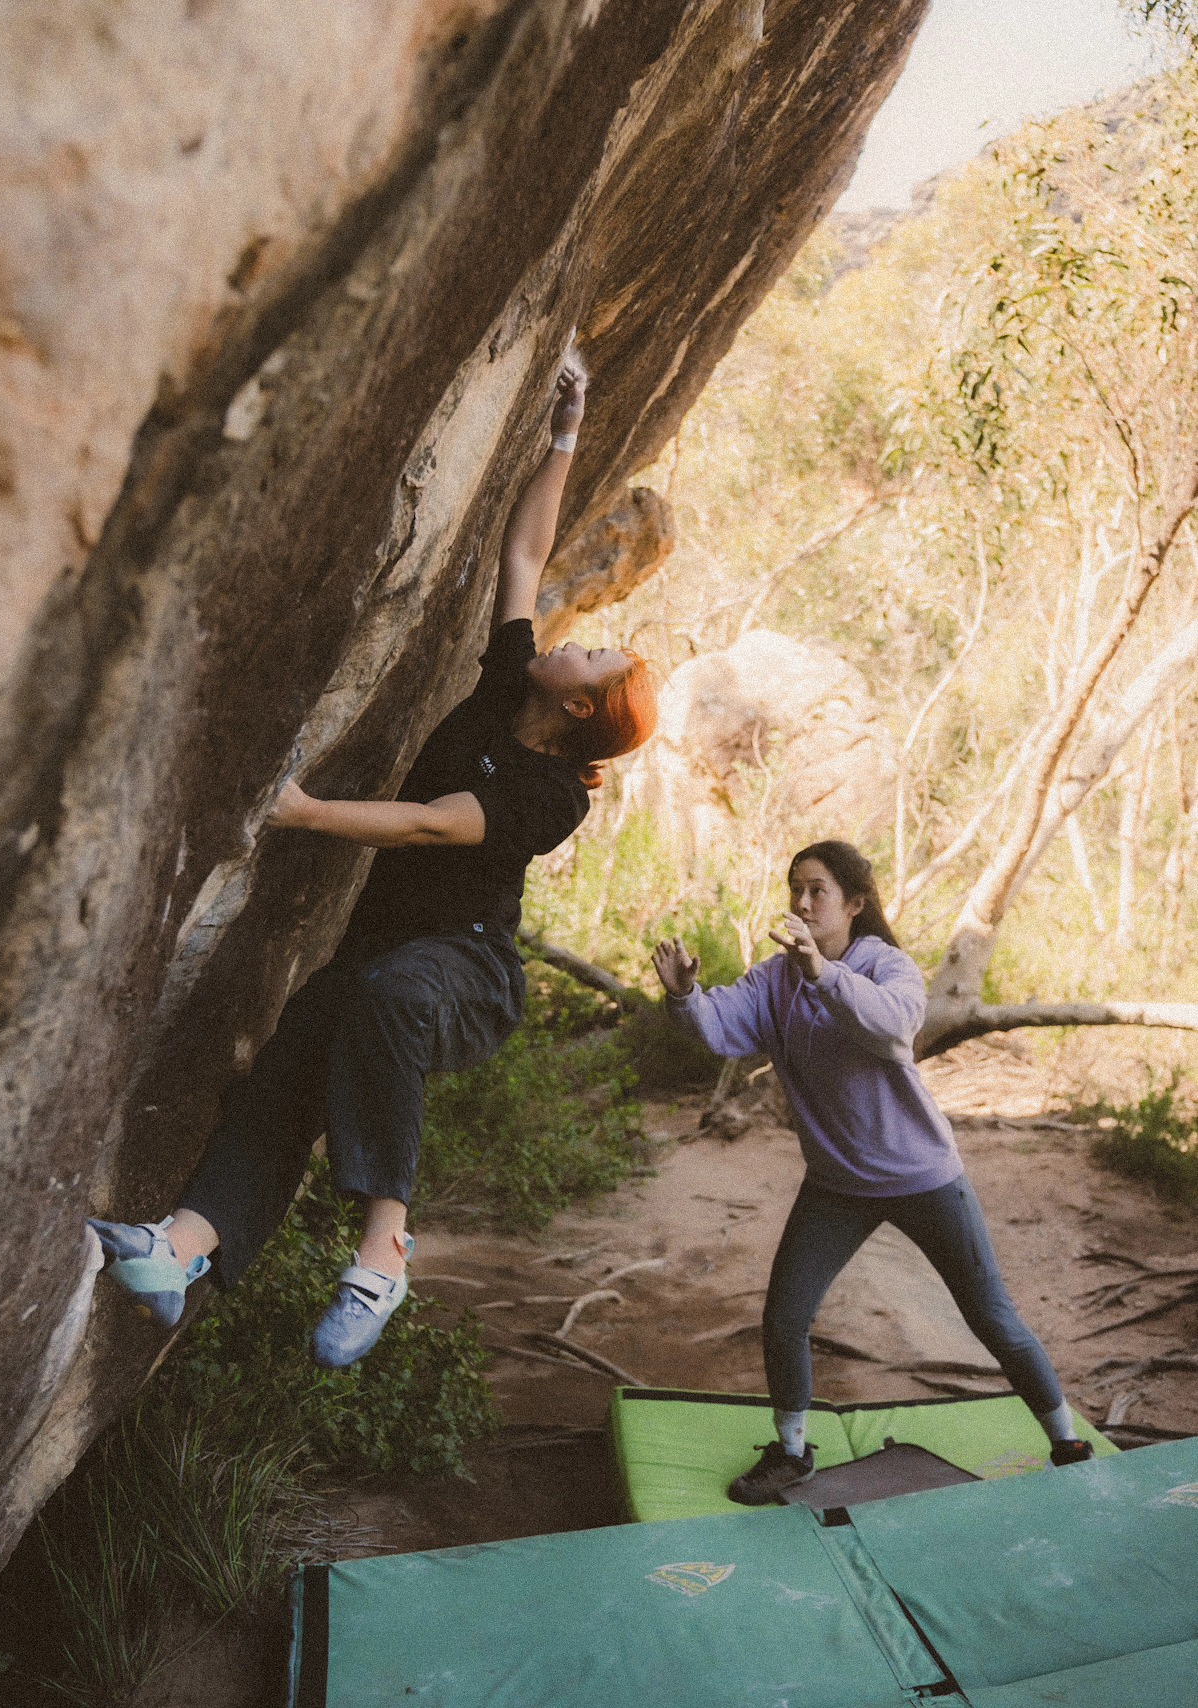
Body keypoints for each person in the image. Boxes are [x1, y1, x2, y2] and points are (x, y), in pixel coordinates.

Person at [90, 358, 657, 1368]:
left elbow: (434, 826)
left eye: (594, 656)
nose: (578, 643)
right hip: (379, 952)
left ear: (582, 709)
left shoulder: (552, 795)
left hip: (466, 971)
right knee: (282, 1083)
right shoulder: (504, 688)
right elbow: (523, 553)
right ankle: (174, 1252)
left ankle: (383, 1254)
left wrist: (303, 809)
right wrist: (567, 432)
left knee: (390, 996)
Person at [652, 839, 1093, 1504]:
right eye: (795, 887)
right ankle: (793, 1452)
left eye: (818, 890)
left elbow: (892, 1027)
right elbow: (719, 1028)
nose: (802, 902)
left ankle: (1067, 1443)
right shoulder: (775, 980)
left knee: (991, 1317)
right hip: (836, 1186)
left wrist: (823, 975)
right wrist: (685, 993)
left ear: (854, 904)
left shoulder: (888, 967)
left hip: (924, 1178)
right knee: (784, 1316)